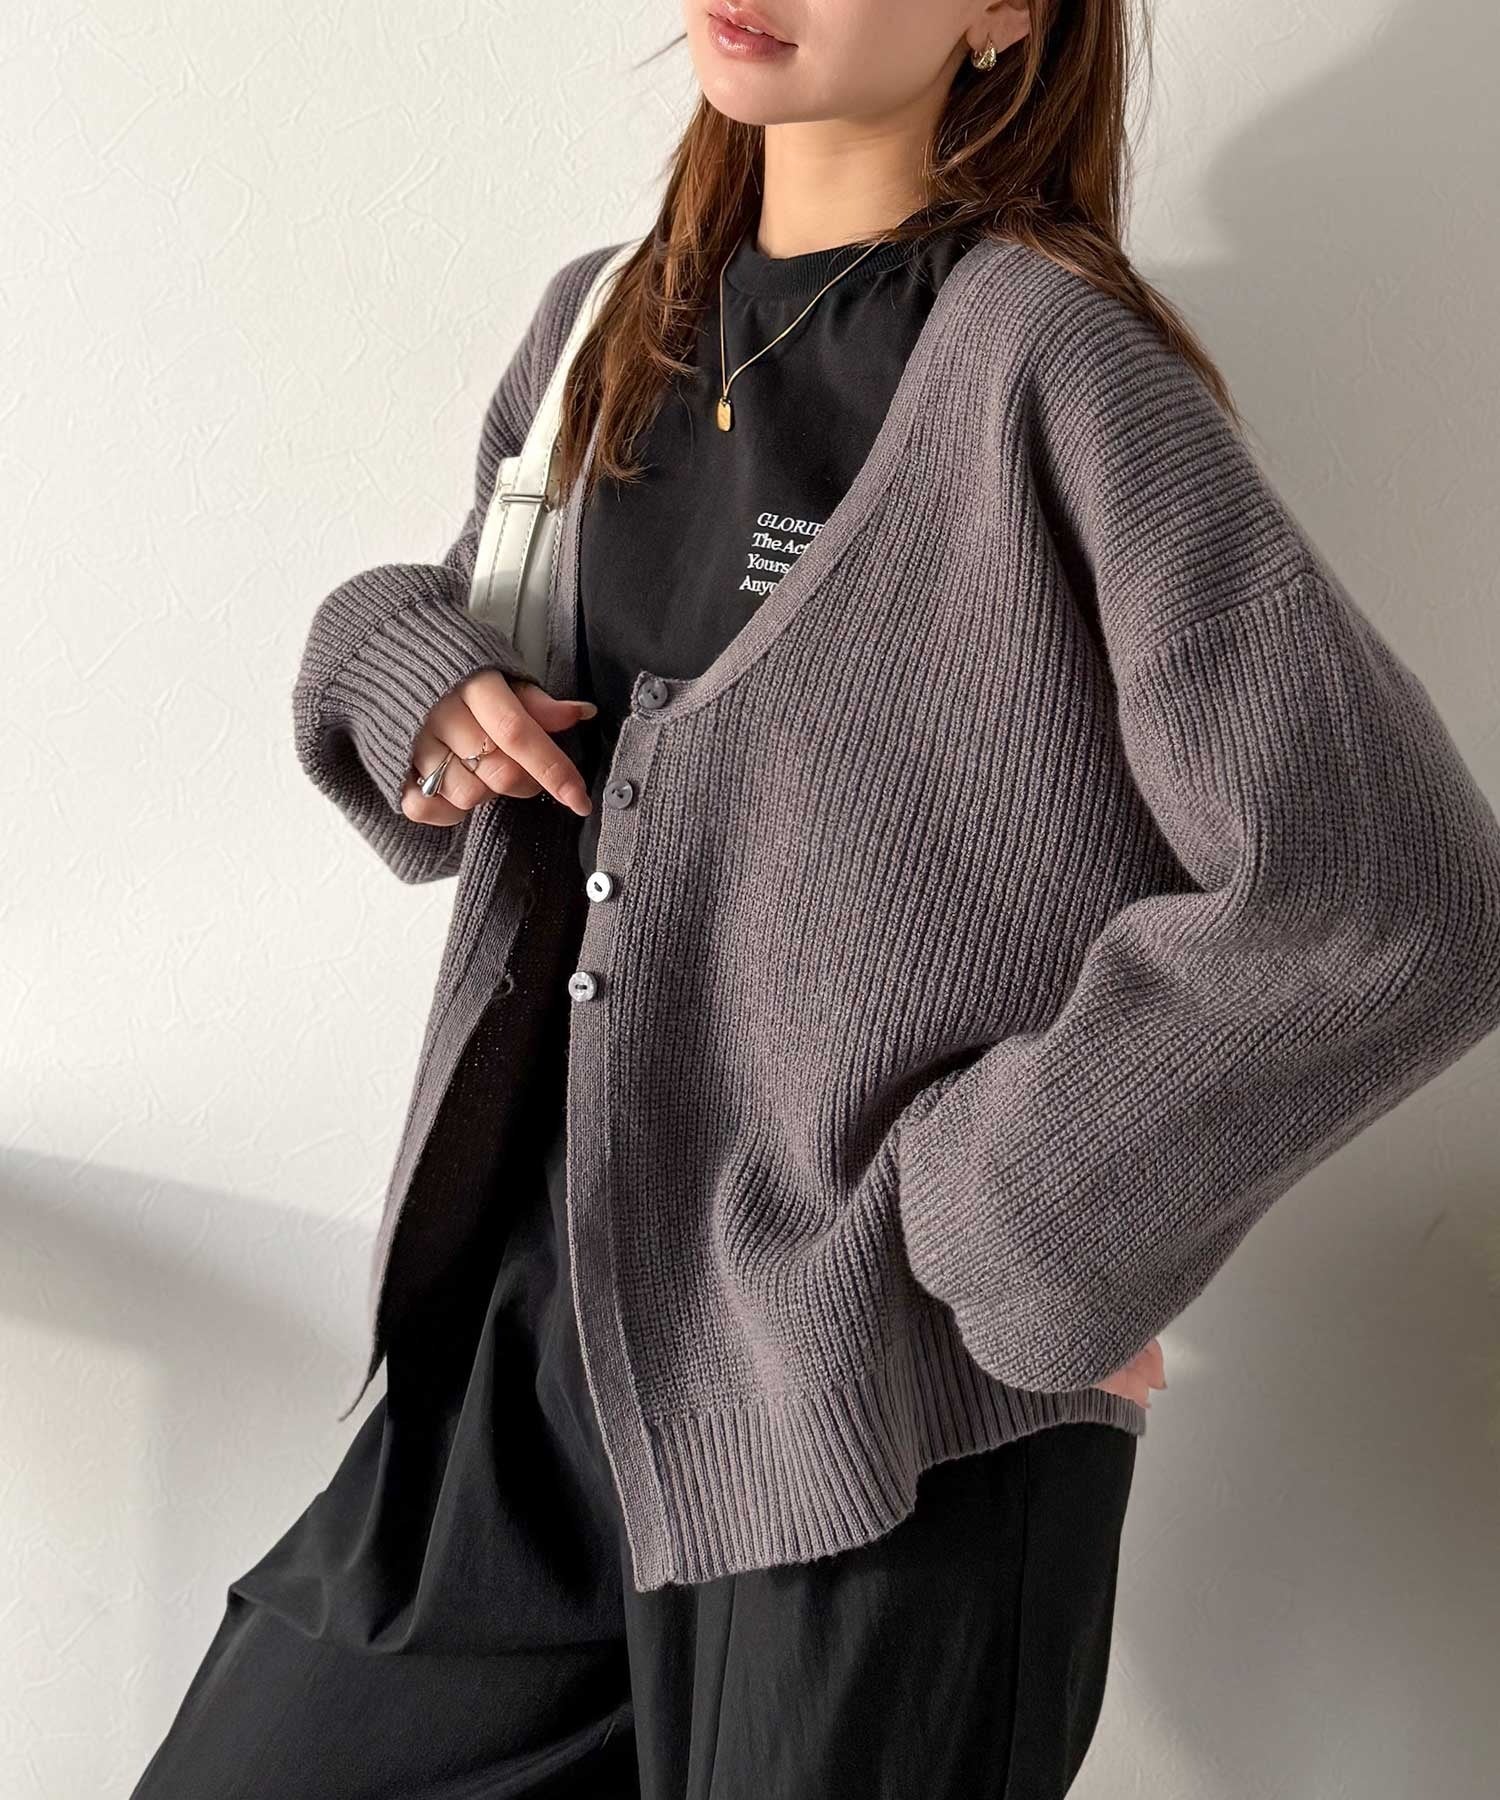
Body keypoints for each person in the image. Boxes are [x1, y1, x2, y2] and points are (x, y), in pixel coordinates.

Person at [130, 2, 1500, 1796]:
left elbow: (1392, 892)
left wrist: (1013, 1225)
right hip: (528, 1363)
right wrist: (399, 661)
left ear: (1004, 13)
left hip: (870, 1406)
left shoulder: (1050, 370)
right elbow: (487, 652)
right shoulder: (598, 328)